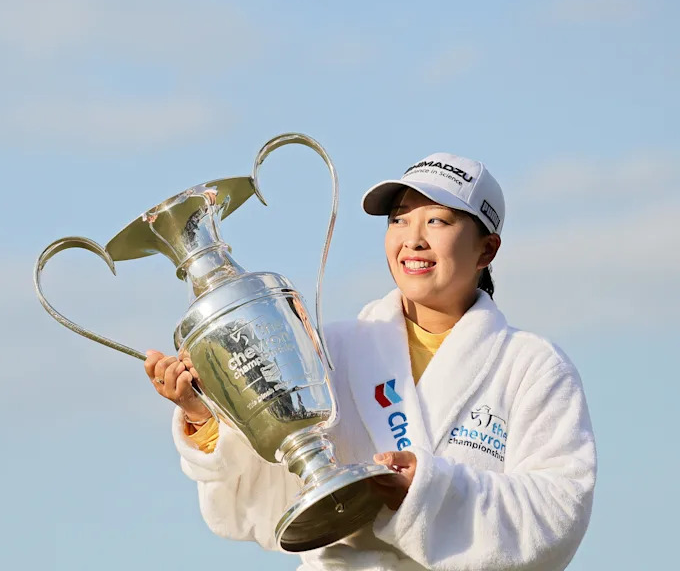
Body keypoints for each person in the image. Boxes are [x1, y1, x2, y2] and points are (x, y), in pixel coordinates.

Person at [144, 153, 596, 571]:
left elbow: (557, 514)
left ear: (487, 249)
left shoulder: (532, 367)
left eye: (437, 221)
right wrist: (205, 418)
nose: (412, 240)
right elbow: (261, 507)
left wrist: (426, 490)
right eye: (398, 220)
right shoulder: (330, 350)